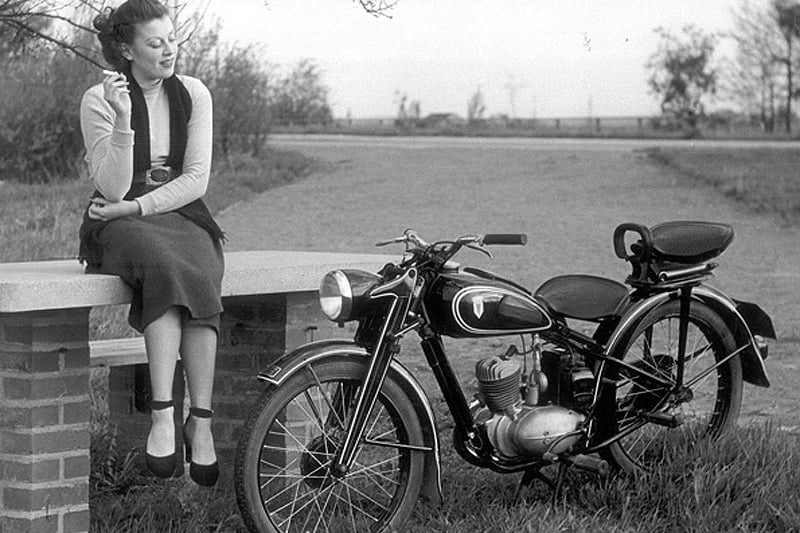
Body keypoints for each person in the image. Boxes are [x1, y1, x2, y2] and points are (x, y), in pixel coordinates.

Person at [78, 0, 224, 486]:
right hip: (115, 220)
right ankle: (165, 412)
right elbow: (115, 189)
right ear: (125, 48)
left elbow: (197, 179)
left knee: (201, 270)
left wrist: (139, 207)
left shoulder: (195, 93)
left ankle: (199, 421)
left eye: (173, 40)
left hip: (176, 211)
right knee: (163, 265)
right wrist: (123, 120)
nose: (169, 52)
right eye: (155, 43)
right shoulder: (97, 100)